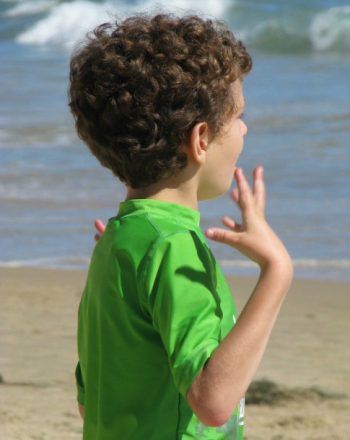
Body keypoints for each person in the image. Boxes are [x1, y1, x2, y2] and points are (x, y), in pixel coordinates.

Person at [69, 13, 292, 440]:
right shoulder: (173, 245)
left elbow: (90, 402)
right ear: (201, 140)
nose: (245, 129)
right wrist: (277, 272)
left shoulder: (118, 241)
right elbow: (213, 402)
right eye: (239, 116)